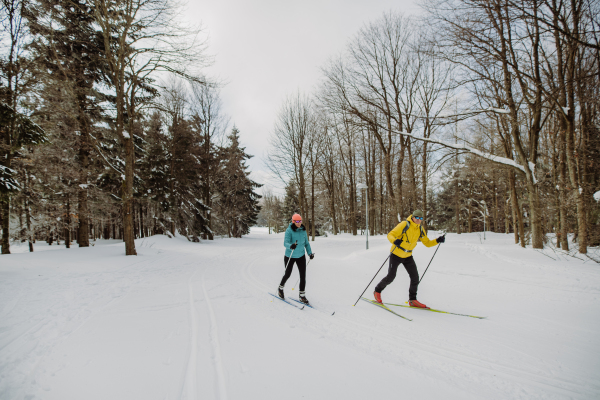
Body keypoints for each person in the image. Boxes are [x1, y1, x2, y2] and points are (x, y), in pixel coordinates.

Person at [373, 210, 445, 308]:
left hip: (408, 256)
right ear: (413, 217)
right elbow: (390, 234)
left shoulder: (420, 229)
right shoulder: (404, 224)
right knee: (391, 277)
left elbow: (427, 243)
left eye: (421, 218)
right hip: (396, 254)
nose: (419, 220)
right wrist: (395, 241)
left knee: (415, 277)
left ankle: (412, 300)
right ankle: (377, 291)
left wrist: (437, 240)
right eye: (417, 218)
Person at [278, 213, 314, 304]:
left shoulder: (303, 230)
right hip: (290, 255)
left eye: (300, 221)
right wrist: (291, 246)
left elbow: (306, 243)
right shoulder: (289, 230)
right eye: (297, 221)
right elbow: (285, 243)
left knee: (303, 275)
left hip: (301, 256)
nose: (299, 223)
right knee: (288, 274)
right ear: (293, 222)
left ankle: (302, 296)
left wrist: (310, 253)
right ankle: (280, 288)